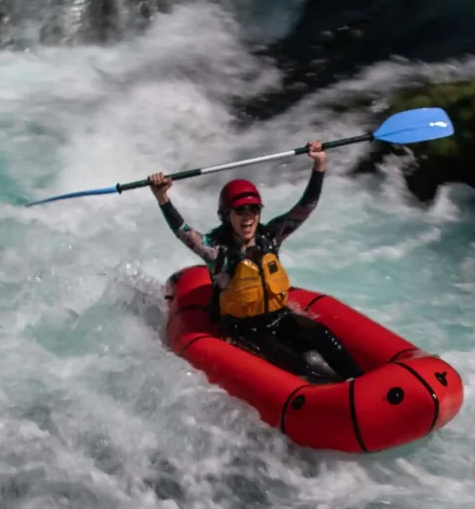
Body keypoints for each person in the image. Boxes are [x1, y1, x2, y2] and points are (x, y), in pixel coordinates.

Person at [151, 142, 361, 380]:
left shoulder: (270, 237)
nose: (248, 217)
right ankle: (325, 395)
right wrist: (163, 198)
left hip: (278, 317)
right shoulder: (216, 250)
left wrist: (319, 165)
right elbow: (183, 232)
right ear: (226, 215)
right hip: (243, 329)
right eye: (240, 211)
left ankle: (359, 379)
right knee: (296, 366)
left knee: (321, 334)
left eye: (253, 209)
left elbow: (306, 206)